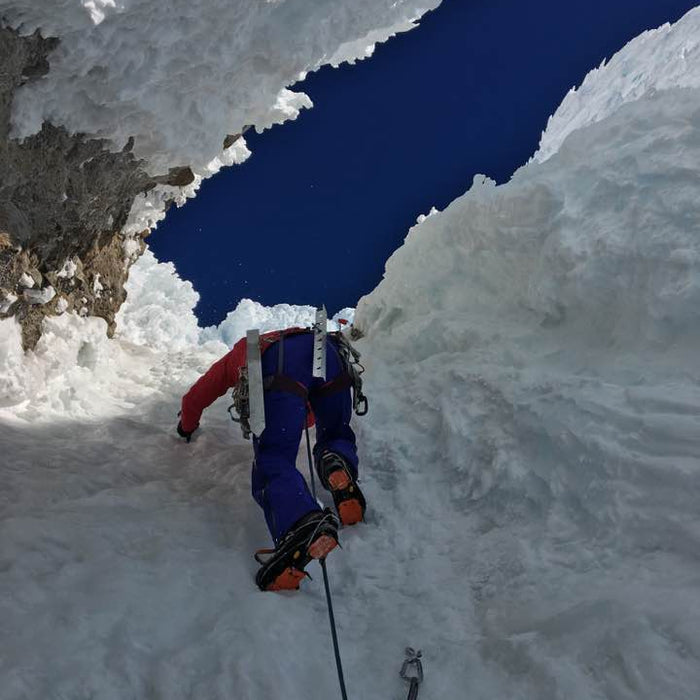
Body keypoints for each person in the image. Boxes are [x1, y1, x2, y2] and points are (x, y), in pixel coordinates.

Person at [177, 326, 367, 591]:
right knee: (336, 433)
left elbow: (198, 395)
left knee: (274, 457)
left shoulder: (246, 349)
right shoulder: (303, 334)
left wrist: (186, 426)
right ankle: (337, 461)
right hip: (330, 354)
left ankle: (301, 522)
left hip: (280, 369)